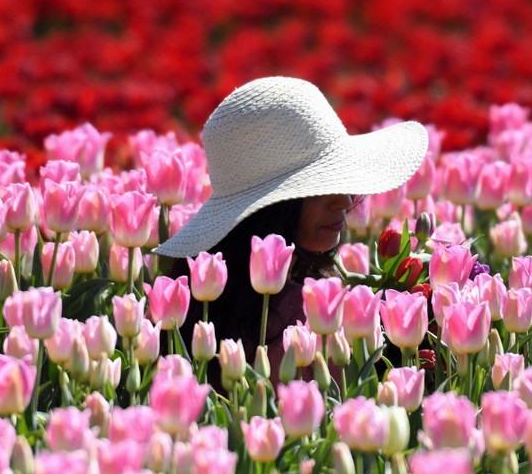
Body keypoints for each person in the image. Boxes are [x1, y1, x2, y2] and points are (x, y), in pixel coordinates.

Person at [154, 76, 428, 385]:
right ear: (272, 209)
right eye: (320, 185)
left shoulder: (202, 306)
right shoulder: (293, 322)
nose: (346, 200)